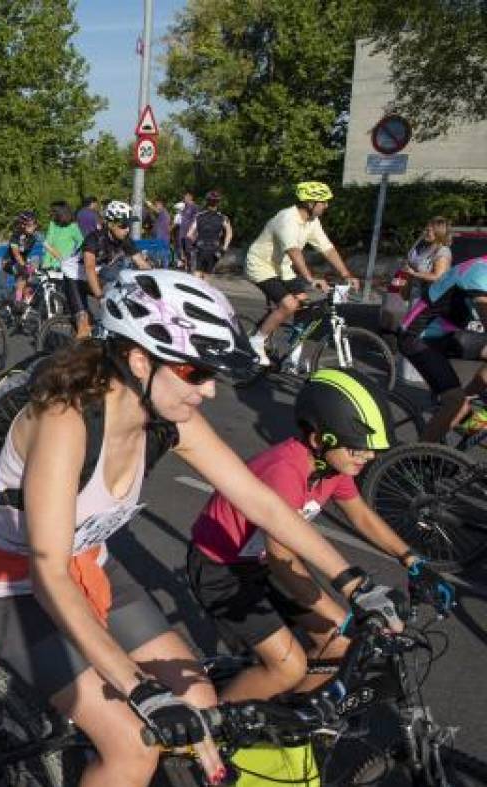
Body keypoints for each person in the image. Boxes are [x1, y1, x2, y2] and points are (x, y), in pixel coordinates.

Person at [0, 269, 403, 787]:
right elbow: (49, 574)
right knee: (132, 749)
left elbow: (264, 505)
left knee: (201, 704)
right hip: (15, 585)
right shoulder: (66, 421)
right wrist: (138, 689)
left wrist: (355, 584)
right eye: (194, 373)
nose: (209, 391)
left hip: (92, 565)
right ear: (139, 359)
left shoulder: (168, 414)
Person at [188, 369, 453, 702]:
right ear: (319, 440)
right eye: (358, 449)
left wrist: (413, 560)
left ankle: (284, 720)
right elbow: (282, 560)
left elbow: (361, 515)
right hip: (221, 569)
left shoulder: (331, 465)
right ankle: (219, 735)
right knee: (288, 667)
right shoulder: (286, 470)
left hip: (262, 561)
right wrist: (342, 617)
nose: (368, 457)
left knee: (339, 648)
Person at [244, 182, 360, 366]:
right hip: (260, 266)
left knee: (304, 306)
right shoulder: (287, 219)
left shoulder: (312, 221)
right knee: (289, 304)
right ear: (309, 203)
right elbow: (294, 251)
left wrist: (346, 274)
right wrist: (310, 279)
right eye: (323, 202)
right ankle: (256, 341)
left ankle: (293, 354)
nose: (327, 205)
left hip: (282, 268)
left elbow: (327, 248)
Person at [399, 256, 487, 441]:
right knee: (455, 400)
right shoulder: (480, 272)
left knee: (461, 401)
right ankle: (418, 458)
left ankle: (465, 409)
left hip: (444, 334)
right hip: (418, 336)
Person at [68, 201, 150, 339]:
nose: (127, 229)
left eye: (129, 225)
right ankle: (72, 357)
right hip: (74, 277)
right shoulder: (94, 239)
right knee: (84, 328)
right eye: (123, 225)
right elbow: (89, 269)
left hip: (96, 276)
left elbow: (142, 264)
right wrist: (100, 297)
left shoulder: (124, 239)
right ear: (111, 224)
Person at [401, 216, 453, 305]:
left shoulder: (442, 251)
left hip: (428, 302)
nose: (424, 233)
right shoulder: (424, 249)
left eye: (428, 231)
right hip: (415, 297)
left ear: (438, 233)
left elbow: (438, 277)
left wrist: (414, 273)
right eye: (425, 230)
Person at [185, 191, 232, 281]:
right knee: (207, 278)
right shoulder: (223, 218)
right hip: (213, 250)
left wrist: (195, 243)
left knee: (196, 276)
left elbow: (189, 234)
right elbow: (229, 233)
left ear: (207, 202)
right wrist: (224, 248)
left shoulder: (199, 216)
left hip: (200, 249)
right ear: (218, 203)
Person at [7, 211, 45, 304]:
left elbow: (49, 247)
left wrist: (61, 259)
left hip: (23, 261)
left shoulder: (35, 235)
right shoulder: (16, 236)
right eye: (30, 225)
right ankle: (18, 301)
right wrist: (26, 265)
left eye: (35, 224)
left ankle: (25, 299)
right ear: (23, 225)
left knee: (32, 278)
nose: (34, 227)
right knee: (24, 276)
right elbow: (16, 255)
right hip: (9, 262)